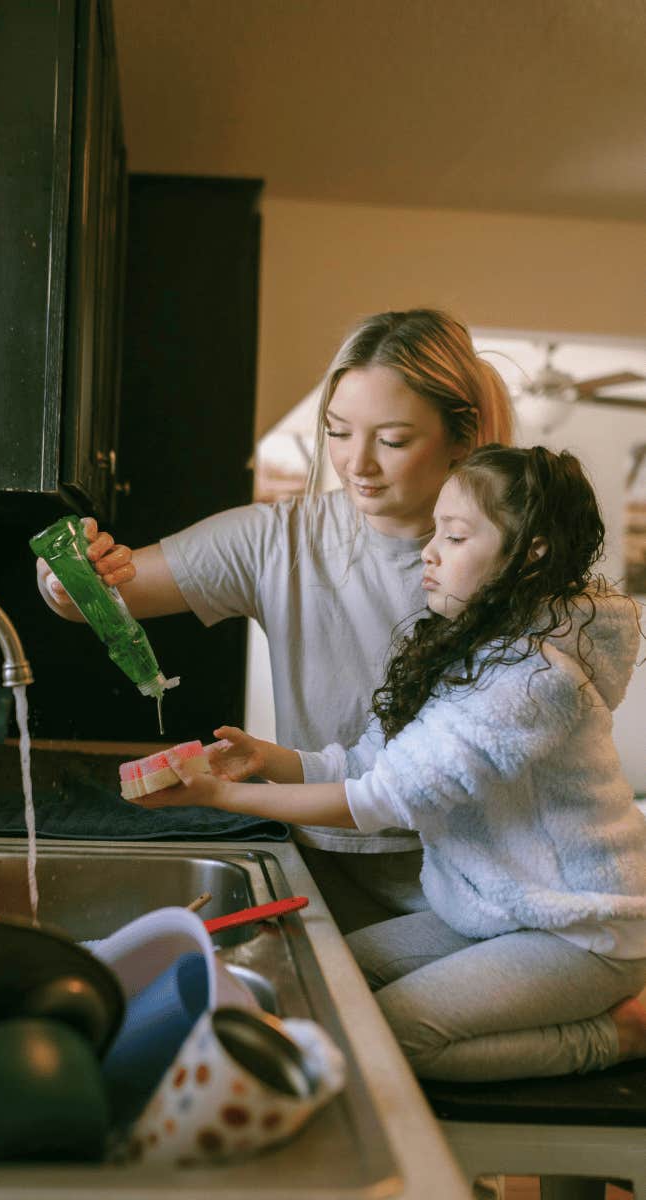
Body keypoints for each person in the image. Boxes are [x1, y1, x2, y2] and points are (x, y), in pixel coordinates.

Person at [122, 445, 646, 1082]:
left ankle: (617, 1033)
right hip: (501, 912)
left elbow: (383, 800)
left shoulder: (534, 680)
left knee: (391, 1039)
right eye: (435, 533)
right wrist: (269, 760)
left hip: (582, 929)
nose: (429, 552)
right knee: (334, 976)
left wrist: (219, 796)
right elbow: (370, 761)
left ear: (530, 551)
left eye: (454, 537)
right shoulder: (470, 651)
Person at [37, 308, 513, 931]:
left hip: (473, 863)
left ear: (461, 436)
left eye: (392, 440)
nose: (357, 464)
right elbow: (89, 600)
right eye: (338, 432)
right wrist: (68, 575)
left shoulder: (508, 557)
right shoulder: (277, 540)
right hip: (319, 854)